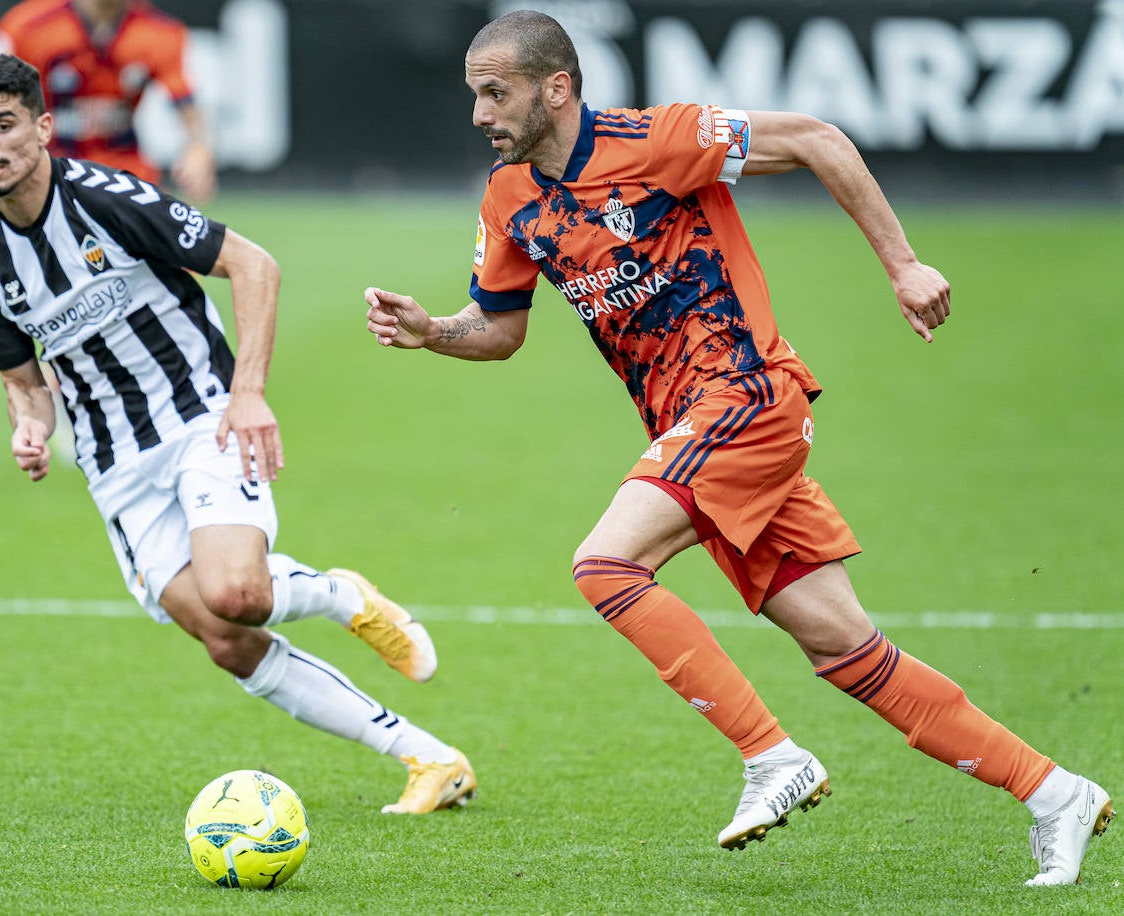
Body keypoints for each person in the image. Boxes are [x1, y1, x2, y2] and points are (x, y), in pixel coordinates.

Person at [363, 9, 1110, 882]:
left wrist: (902, 265)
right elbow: (497, 328)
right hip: (695, 433)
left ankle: (771, 758)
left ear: (556, 88)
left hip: (747, 398)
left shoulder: (661, 140)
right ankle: (1055, 791)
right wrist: (432, 332)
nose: (482, 114)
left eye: (496, 94)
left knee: (605, 565)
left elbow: (820, 139)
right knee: (845, 649)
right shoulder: (510, 199)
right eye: (474, 96)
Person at [0, 53, 477, 815]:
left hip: (202, 414)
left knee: (235, 591)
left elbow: (254, 266)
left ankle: (337, 595)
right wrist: (29, 428)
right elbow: (22, 380)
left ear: (42, 126)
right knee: (226, 639)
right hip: (116, 465)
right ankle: (428, 758)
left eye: (2, 125)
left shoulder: (107, 199)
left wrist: (248, 394)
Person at [0, 0, 216, 252]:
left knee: (175, 269)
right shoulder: (27, 26)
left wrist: (198, 147)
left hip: (125, 180)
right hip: (50, 180)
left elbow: (186, 102)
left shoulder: (160, 32)